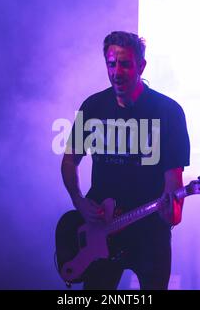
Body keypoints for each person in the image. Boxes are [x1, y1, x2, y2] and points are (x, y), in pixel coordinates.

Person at [61, 31, 190, 290]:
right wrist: (79, 200)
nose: (117, 72)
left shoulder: (168, 112)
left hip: (149, 233)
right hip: (100, 229)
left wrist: (172, 213)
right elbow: (69, 161)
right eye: (112, 64)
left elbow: (173, 183)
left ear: (141, 66)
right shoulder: (93, 107)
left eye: (125, 64)